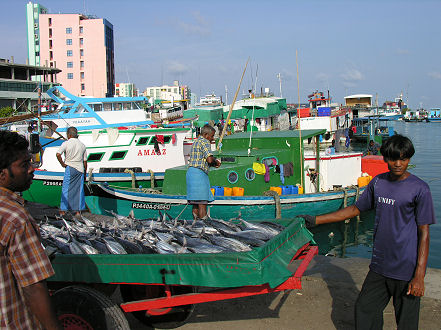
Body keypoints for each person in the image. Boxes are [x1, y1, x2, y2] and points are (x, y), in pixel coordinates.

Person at [300, 134, 435, 329]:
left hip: (406, 269)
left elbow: (424, 233)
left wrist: (419, 275)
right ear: (385, 158)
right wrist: (316, 220)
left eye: (403, 159)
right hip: (379, 266)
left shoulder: (420, 189)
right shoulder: (378, 183)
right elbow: (355, 210)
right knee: (365, 310)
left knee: (406, 321)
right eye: (393, 158)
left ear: (409, 159)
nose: (398, 163)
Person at [0, 130, 62, 329]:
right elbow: (34, 286)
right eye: (24, 165)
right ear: (2, 174)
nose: (32, 170)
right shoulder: (15, 219)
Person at [186, 124, 221, 219]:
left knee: (195, 204)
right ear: (206, 135)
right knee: (202, 203)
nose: (213, 139)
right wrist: (216, 162)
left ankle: (195, 225)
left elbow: (201, 158)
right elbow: (209, 159)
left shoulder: (196, 142)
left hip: (190, 173)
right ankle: (203, 227)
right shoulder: (205, 142)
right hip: (199, 175)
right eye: (212, 136)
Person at [56, 126, 87, 217]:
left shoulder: (66, 143)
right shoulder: (82, 145)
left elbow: (58, 154)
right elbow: (85, 161)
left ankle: (63, 209)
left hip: (70, 167)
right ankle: (78, 211)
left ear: (69, 135)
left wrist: (62, 163)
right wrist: (85, 173)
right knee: (79, 190)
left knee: (66, 189)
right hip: (80, 168)